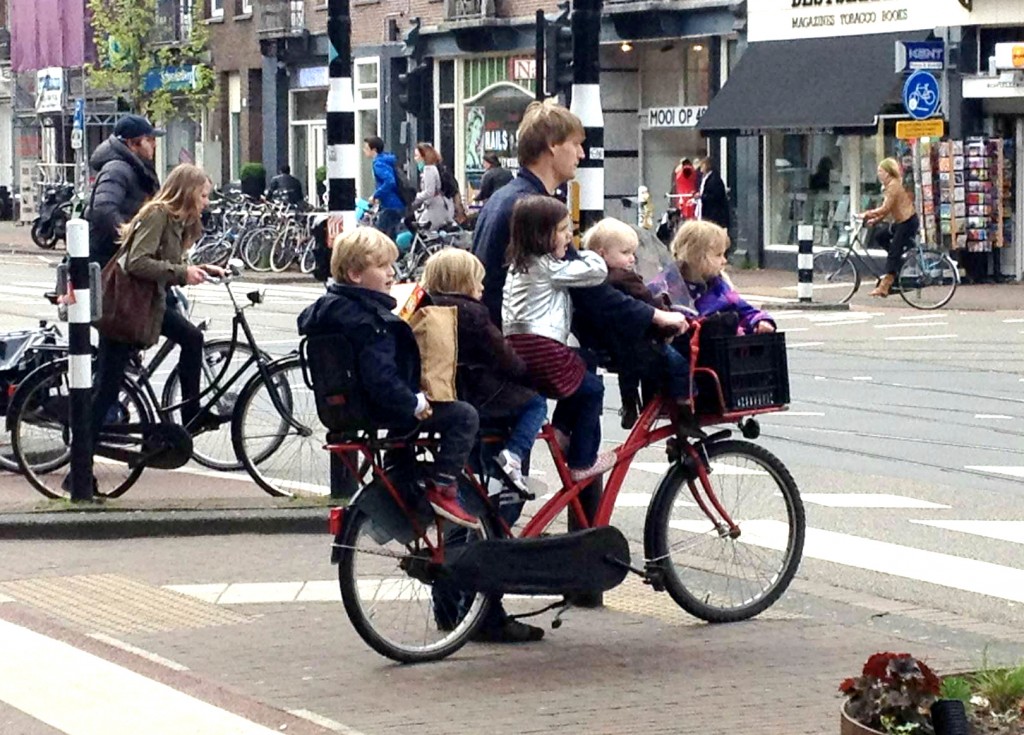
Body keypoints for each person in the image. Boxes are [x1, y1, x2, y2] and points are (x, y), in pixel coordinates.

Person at [297, 226, 481, 529]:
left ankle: (403, 483)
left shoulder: (330, 311)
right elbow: (381, 378)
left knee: (408, 438)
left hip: (343, 408)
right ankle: (443, 487)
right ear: (356, 274)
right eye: (382, 266)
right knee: (464, 416)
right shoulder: (370, 323)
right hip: (380, 407)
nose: (392, 273)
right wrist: (413, 402)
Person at [87, 165, 224, 491]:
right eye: (203, 195)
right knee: (106, 389)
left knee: (192, 338)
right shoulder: (158, 215)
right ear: (188, 192)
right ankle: (79, 472)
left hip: (149, 306)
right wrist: (182, 274)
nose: (206, 202)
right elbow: (138, 261)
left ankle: (191, 415)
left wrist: (199, 269)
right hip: (127, 310)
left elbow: (167, 261)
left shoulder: (177, 221)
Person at [503, 195, 613, 483]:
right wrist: (584, 251)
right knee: (592, 390)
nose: (569, 235)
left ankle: (562, 431)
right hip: (543, 347)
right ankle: (582, 461)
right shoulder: (548, 267)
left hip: (516, 348)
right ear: (543, 234)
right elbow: (596, 272)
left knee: (583, 364)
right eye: (563, 230)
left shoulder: (517, 264)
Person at [421, 248, 547, 495]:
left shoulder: (425, 308)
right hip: (479, 394)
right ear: (464, 283)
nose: (482, 287)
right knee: (536, 403)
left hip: (444, 395)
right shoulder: (472, 313)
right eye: (478, 280)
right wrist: (528, 373)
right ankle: (514, 454)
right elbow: (506, 358)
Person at [582, 217, 695, 431]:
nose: (632, 259)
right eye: (625, 253)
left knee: (630, 371)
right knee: (678, 366)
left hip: (614, 348)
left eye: (633, 253)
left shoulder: (594, 279)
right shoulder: (624, 278)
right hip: (640, 343)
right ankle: (684, 410)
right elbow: (647, 302)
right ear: (602, 253)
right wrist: (669, 318)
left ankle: (630, 406)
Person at [85, 113, 163, 268]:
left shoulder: (137, 168)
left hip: (117, 258)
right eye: (149, 140)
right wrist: (129, 237)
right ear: (132, 144)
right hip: (108, 259)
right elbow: (103, 209)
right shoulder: (117, 169)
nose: (154, 145)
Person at [672, 220, 776, 334]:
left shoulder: (720, 288)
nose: (724, 261)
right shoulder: (667, 287)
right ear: (697, 256)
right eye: (718, 255)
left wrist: (760, 320)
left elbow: (746, 310)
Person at [863, 157, 918, 298]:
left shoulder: (893, 186)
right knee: (880, 236)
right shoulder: (889, 186)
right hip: (900, 221)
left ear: (887, 173)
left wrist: (867, 214)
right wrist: (875, 221)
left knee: (894, 251)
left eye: (880, 171)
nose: (878, 174)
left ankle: (885, 286)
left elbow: (885, 208)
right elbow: (889, 209)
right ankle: (897, 261)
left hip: (907, 222)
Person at [362, 136, 406, 240]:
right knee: (390, 235)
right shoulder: (386, 160)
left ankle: (393, 255)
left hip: (390, 205)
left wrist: (376, 195)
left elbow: (389, 181)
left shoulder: (379, 164)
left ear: (374, 150)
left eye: (366, 148)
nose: (364, 151)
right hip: (396, 204)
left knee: (381, 238)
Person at [412, 142, 454, 230]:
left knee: (422, 230)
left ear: (424, 156)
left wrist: (415, 197)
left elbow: (429, 192)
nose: (415, 159)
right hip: (437, 206)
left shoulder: (428, 170)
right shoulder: (432, 168)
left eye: (417, 156)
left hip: (433, 209)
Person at [696, 157, 730, 230]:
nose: (700, 168)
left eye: (702, 165)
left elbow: (715, 196)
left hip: (714, 213)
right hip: (707, 211)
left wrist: (702, 196)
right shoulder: (705, 178)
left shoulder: (714, 179)